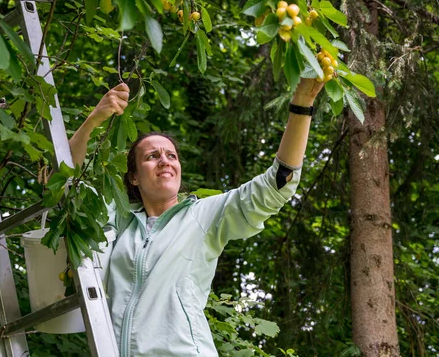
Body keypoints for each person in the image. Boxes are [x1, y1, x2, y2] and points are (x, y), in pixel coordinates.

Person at [69, 79, 323, 357]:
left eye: (172, 155)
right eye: (152, 156)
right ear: (133, 177)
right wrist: (93, 121)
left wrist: (302, 104)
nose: (165, 160)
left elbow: (276, 184)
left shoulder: (204, 215)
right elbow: (68, 186)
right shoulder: (119, 220)